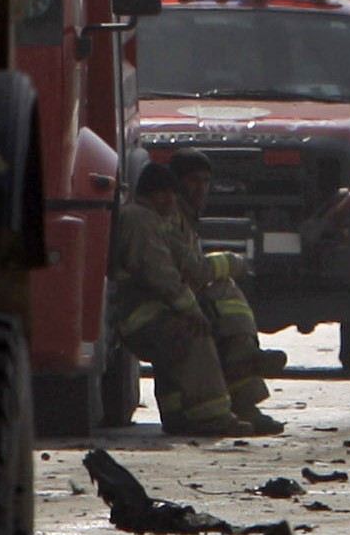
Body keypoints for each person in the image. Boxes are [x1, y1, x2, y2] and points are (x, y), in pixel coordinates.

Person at [111, 154, 283, 436]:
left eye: (206, 181)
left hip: (156, 310)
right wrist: (195, 307)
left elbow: (184, 267)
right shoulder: (144, 220)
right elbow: (168, 274)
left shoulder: (161, 219)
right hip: (144, 315)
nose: (199, 189)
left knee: (214, 324)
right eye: (192, 181)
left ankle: (225, 400)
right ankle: (214, 415)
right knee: (202, 324)